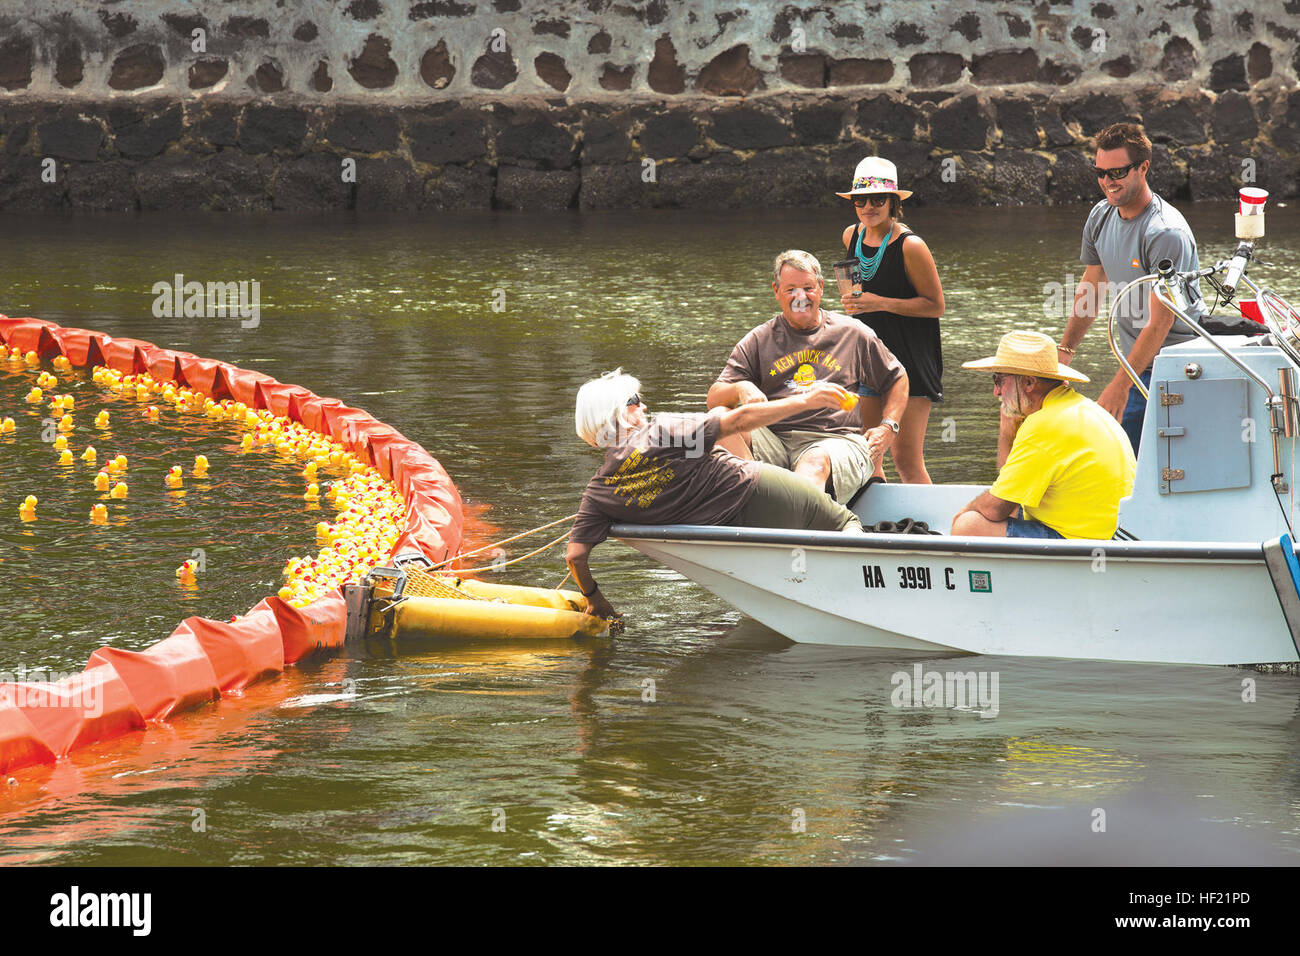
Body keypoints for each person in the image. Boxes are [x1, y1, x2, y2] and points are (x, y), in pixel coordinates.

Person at [566, 368, 864, 620]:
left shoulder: (599, 492)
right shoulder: (662, 432)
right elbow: (737, 420)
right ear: (618, 411)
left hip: (738, 534)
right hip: (765, 493)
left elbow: (576, 556)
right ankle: (862, 590)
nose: (643, 406)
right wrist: (806, 400)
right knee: (846, 523)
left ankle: (824, 602)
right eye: (634, 400)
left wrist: (594, 598)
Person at [706, 249, 910, 506]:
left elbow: (897, 378)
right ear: (776, 291)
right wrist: (741, 389)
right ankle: (757, 501)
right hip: (775, 440)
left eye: (808, 288)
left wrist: (888, 427)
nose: (800, 297)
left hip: (834, 441)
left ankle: (789, 523)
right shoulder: (759, 338)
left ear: (822, 288)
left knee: (813, 462)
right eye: (790, 289)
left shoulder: (853, 333)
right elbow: (714, 398)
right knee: (717, 421)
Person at [1052, 122, 1208, 457]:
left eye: (1118, 172)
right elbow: (1091, 287)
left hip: (1175, 367)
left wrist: (1120, 386)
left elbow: (1160, 323)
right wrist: (1064, 353)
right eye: (1100, 172)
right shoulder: (1100, 216)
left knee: (1116, 453)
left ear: (1143, 168)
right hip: (1137, 364)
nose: (1108, 181)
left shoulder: (1165, 232)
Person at [951, 331, 1136, 540]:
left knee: (967, 525)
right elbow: (1010, 487)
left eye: (999, 380)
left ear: (1029, 383)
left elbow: (996, 508)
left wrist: (962, 513)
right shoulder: (1081, 407)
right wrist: (1007, 427)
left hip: (1084, 542)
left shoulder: (1043, 425)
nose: (996, 392)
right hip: (1116, 535)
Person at [835, 156, 946, 484]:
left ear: (893, 202)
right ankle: (873, 531)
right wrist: (853, 304)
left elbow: (935, 306)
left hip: (911, 360)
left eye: (877, 199)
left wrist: (879, 302)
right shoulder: (850, 236)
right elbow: (858, 290)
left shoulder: (911, 246)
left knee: (907, 461)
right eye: (860, 200)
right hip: (868, 358)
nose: (868, 206)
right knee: (868, 455)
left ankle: (929, 533)